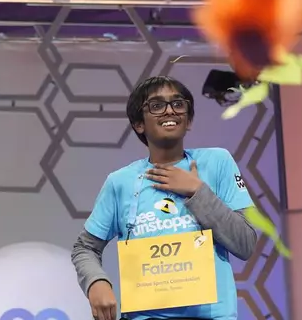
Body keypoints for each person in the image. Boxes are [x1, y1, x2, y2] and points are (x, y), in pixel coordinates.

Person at [71, 76, 258, 320]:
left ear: (188, 119)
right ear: (139, 123)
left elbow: (245, 244)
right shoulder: (120, 182)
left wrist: (198, 192)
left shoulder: (217, 162)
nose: (170, 110)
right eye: (157, 105)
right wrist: (96, 282)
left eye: (178, 104)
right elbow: (84, 248)